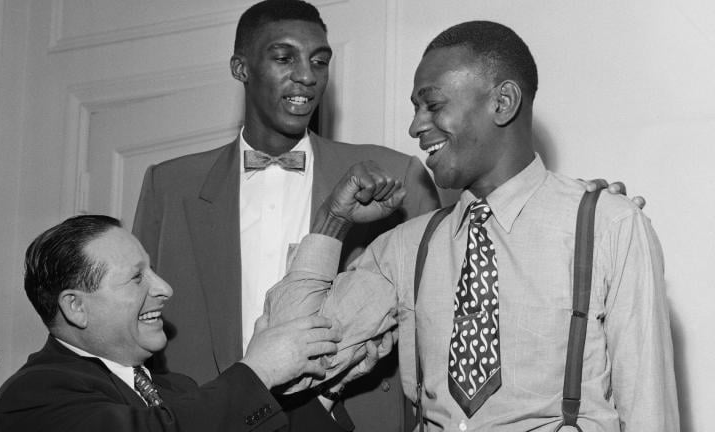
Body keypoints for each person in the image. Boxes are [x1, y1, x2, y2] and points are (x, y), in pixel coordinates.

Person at [266, 21, 679, 431]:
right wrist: (331, 222)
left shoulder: (608, 225)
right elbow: (292, 366)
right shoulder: (408, 247)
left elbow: (650, 412)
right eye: (415, 108)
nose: (415, 127)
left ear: (502, 102)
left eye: (433, 104)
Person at [132, 1, 440, 430]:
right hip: (213, 417)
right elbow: (131, 326)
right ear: (241, 68)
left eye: (319, 61)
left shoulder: (393, 175)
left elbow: (436, 332)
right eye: (284, 57)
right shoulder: (169, 185)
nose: (307, 76)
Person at [0, 215, 369, 432]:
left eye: (152, 270)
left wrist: (327, 385)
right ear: (76, 307)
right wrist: (259, 370)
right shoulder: (30, 398)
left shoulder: (177, 390)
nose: (165, 288)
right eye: (137, 277)